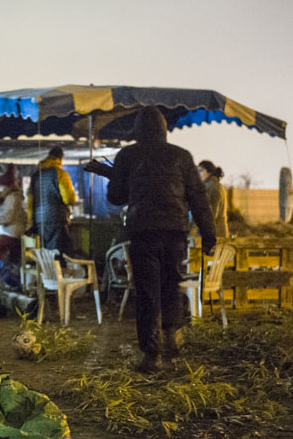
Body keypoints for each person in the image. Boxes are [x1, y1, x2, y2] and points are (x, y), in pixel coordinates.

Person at [85, 107, 215, 373]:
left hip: (142, 230)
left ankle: (152, 355)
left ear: (137, 131)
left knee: (146, 291)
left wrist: (120, 177)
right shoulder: (181, 156)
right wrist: (209, 234)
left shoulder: (127, 155)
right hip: (175, 231)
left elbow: (116, 197)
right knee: (171, 283)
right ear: (164, 130)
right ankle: (172, 338)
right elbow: (198, 198)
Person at [26, 146, 76, 256]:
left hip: (39, 221)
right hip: (56, 219)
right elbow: (68, 199)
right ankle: (57, 273)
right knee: (58, 253)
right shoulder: (60, 173)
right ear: (61, 158)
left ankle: (45, 272)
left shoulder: (35, 175)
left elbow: (30, 200)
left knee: (44, 254)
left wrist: (31, 222)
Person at [198, 160, 229, 239]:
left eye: (201, 171)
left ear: (210, 172)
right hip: (220, 233)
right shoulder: (218, 186)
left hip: (213, 236)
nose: (198, 174)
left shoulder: (211, 188)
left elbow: (210, 215)